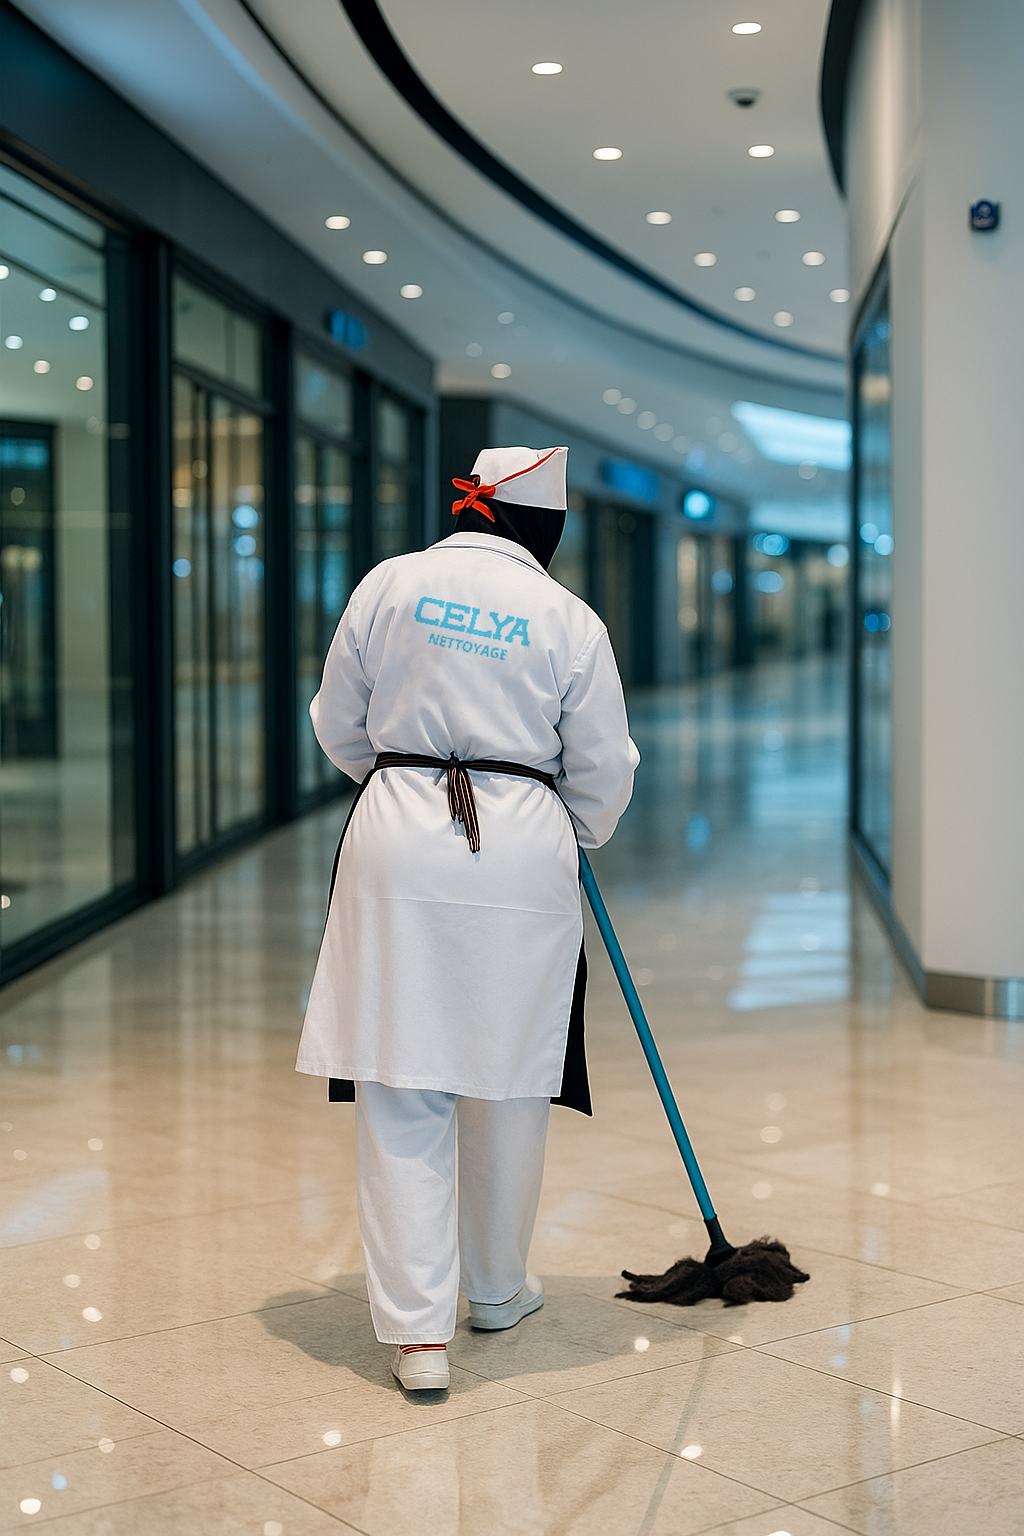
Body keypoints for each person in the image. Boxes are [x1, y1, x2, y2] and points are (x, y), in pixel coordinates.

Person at [296, 445, 639, 1390]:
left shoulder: (389, 585)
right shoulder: (570, 619)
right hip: (524, 847)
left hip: (397, 828)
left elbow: (336, 720)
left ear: (473, 507)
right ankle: (495, 1288)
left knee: (400, 1078)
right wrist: (567, 827)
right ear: (545, 527)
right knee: (509, 1071)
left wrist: (405, 781)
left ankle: (417, 1339)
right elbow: (605, 767)